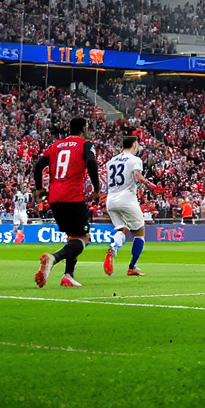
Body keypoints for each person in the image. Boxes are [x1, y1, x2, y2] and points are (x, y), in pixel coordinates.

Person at [32, 116, 101, 288]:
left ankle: (68, 275)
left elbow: (38, 166)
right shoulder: (85, 144)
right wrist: (96, 188)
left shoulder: (55, 145)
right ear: (83, 129)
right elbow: (91, 162)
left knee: (72, 236)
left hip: (55, 197)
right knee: (84, 238)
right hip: (73, 196)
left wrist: (39, 188)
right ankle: (54, 258)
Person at [102, 136, 151, 277]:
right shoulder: (135, 160)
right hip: (127, 199)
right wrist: (149, 185)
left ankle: (113, 247)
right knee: (139, 233)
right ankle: (132, 267)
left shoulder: (111, 161)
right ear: (134, 144)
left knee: (121, 229)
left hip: (111, 200)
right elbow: (137, 175)